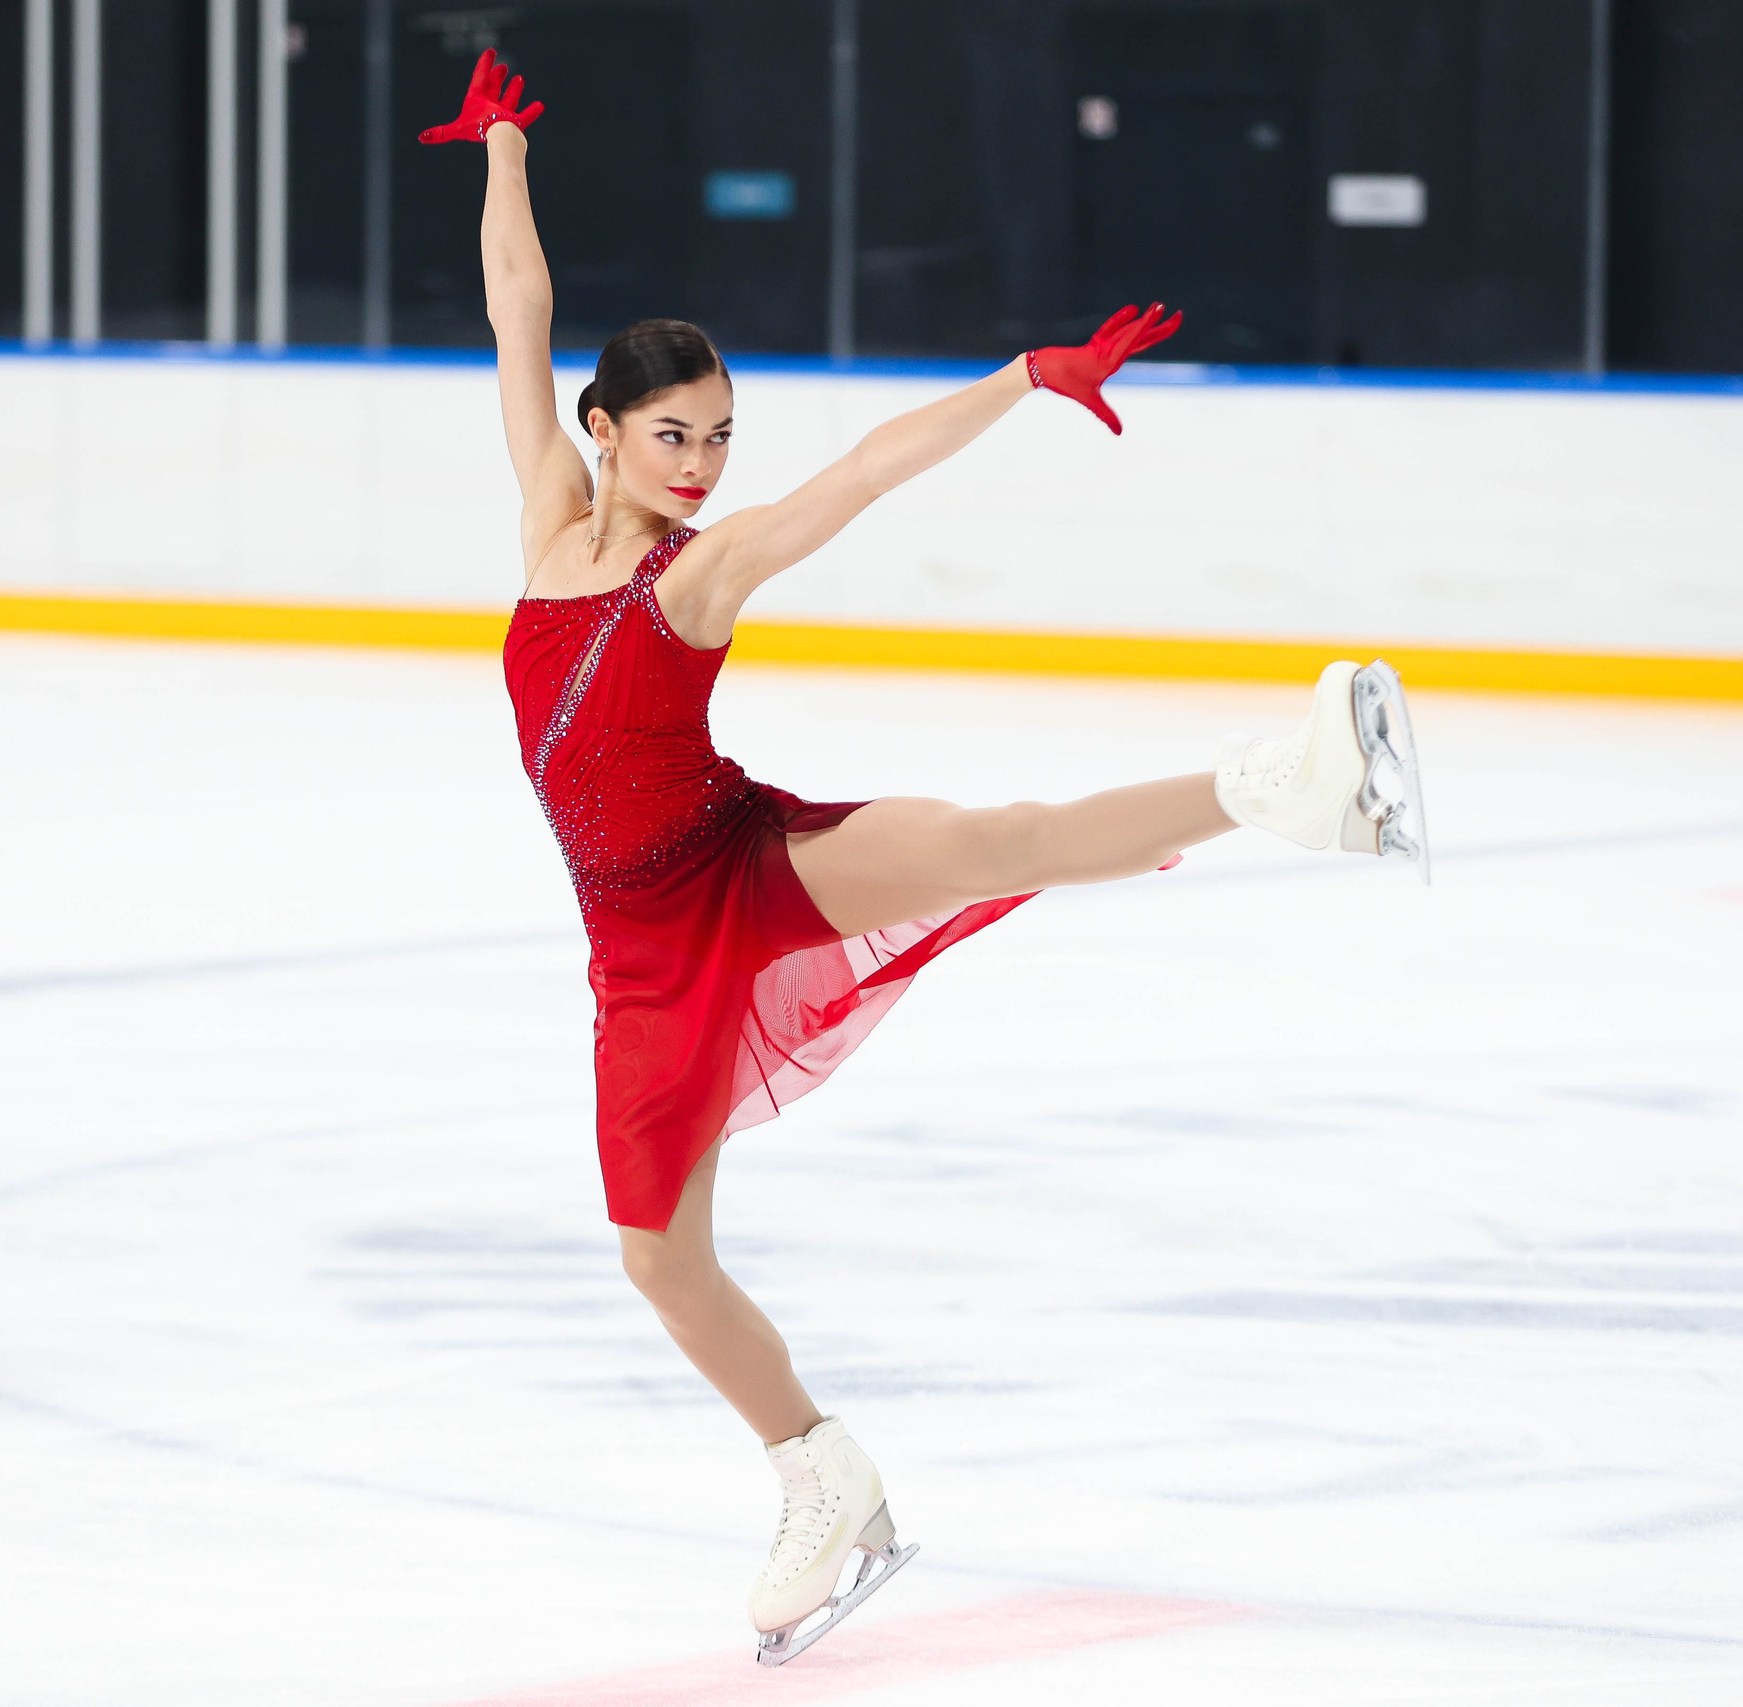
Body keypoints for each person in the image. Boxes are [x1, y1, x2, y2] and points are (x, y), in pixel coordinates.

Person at [421, 52, 1427, 1664]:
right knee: (658, 1256)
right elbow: (515, 313)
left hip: (739, 856)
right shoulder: (550, 512)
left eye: (723, 439)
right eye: (674, 436)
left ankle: (1296, 784)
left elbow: (865, 471)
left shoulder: (698, 573)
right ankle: (825, 1475)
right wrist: (507, 151)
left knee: (991, 841)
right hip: (638, 949)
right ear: (603, 433)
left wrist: (1022, 378)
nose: (702, 467)